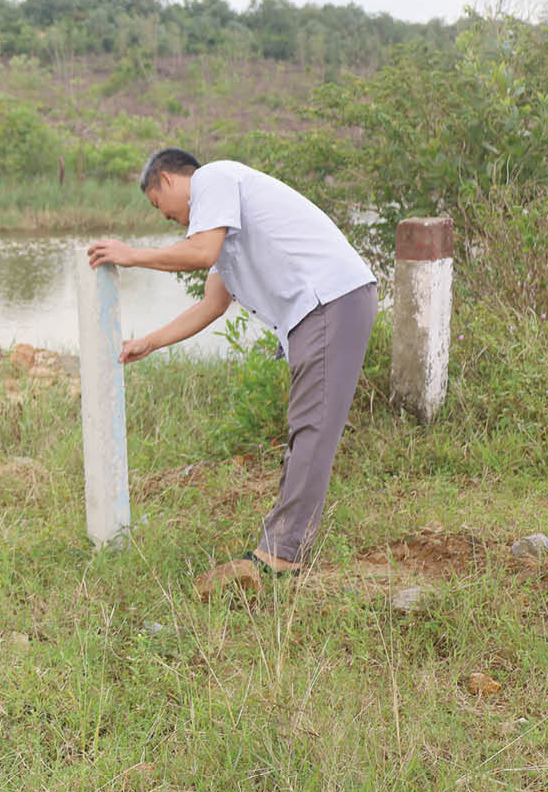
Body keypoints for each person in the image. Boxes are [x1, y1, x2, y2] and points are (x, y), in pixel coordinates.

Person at [85, 148, 377, 599]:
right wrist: (150, 341)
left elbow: (199, 253)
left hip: (329, 302)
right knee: (307, 429)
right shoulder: (223, 227)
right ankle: (284, 545)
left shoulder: (215, 179)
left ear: (166, 180)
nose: (164, 217)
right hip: (322, 308)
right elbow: (212, 305)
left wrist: (131, 255)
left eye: (156, 204)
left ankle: (281, 555)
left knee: (313, 430)